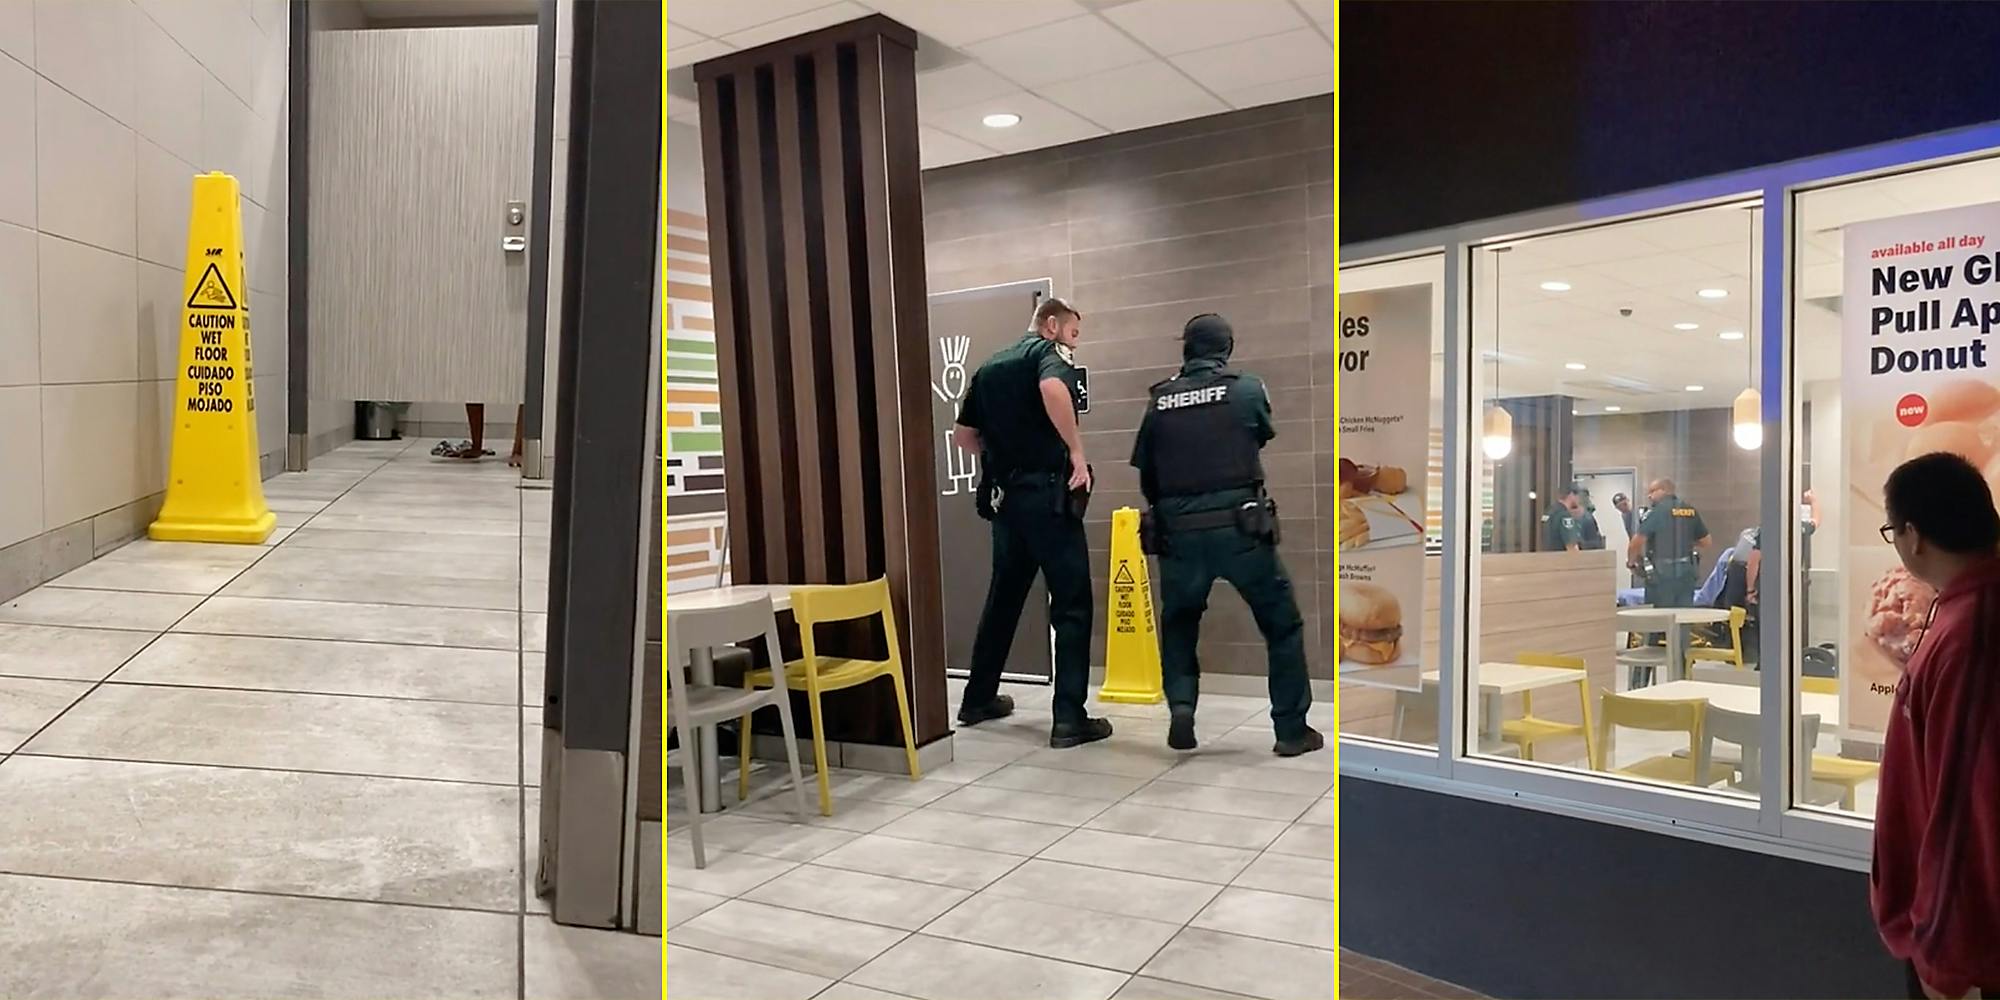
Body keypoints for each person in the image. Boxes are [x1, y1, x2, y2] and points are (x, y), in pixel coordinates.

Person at [1130, 313, 1320, 757]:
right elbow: (1261, 434)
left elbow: (1146, 469)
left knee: (1180, 623)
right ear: (1227, 348)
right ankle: (1291, 730)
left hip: (1178, 534)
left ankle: (1181, 708)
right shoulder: (1246, 389)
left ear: (1186, 348)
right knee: (1282, 625)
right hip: (1242, 530)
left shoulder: (1159, 401)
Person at [951, 296, 1112, 749]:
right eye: (1074, 334)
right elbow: (1053, 391)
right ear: (1052, 325)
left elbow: (963, 437)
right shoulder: (1046, 354)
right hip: (1046, 497)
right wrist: (1076, 452)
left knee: (1003, 598)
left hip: (1007, 502)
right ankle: (1068, 719)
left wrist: (1004, 457)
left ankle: (977, 699)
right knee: (1072, 603)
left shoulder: (989, 367)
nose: (1075, 344)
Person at [1871, 452, 2000, 999]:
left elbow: (1965, 809)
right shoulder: (1961, 610)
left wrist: (1946, 954)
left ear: (1913, 536)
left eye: (1892, 531)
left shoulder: (1975, 633)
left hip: (1964, 952)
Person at [1627, 477, 1711, 607]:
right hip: (1686, 571)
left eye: (1652, 491)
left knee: (1660, 617)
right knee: (1683, 615)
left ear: (1664, 490)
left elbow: (1636, 542)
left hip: (1662, 573)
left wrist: (1632, 563)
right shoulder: (1690, 510)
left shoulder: (1657, 512)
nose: (1649, 496)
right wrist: (1685, 542)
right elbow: (1706, 542)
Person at [1540, 485, 1584, 552]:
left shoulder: (1549, 512)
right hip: (1561, 559)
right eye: (1578, 496)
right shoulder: (1564, 515)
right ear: (1571, 495)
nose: (1579, 499)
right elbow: (1571, 546)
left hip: (1547, 558)